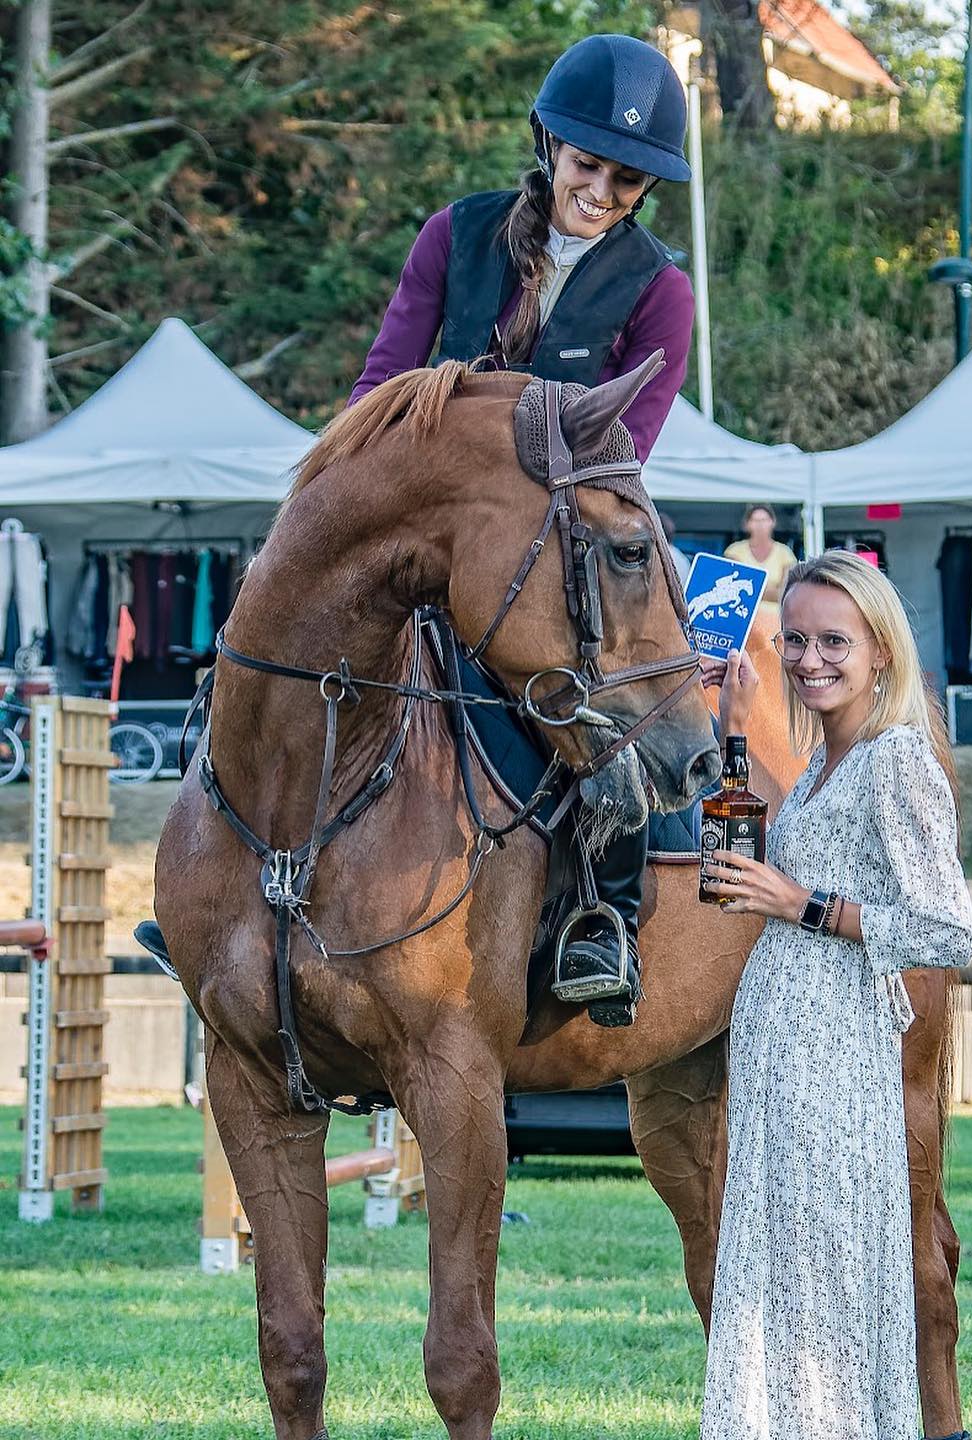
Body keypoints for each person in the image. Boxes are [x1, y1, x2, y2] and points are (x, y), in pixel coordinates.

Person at [351, 33, 697, 1027]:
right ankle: (231, 862)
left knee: (611, 699)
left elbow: (620, 452)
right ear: (548, 143)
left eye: (627, 180)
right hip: (418, 526)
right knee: (275, 607)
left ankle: (603, 913)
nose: (601, 190)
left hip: (555, 549)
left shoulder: (660, 292)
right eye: (589, 165)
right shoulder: (453, 237)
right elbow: (381, 385)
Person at [698, 550, 972, 1440]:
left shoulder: (897, 760)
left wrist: (805, 907)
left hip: (836, 1049)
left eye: (834, 642)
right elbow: (783, 853)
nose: (811, 659)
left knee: (824, 1273)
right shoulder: (826, 763)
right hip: (782, 1049)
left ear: (882, 651)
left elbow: (947, 928)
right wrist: (735, 732)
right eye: (797, 641)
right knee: (783, 1268)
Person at [724, 503, 798, 613]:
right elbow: (731, 589)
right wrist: (771, 592)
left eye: (764, 520)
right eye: (755, 520)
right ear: (747, 524)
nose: (760, 525)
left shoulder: (785, 553)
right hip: (742, 613)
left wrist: (755, 590)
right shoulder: (734, 551)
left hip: (776, 618)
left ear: (773, 523)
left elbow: (788, 593)